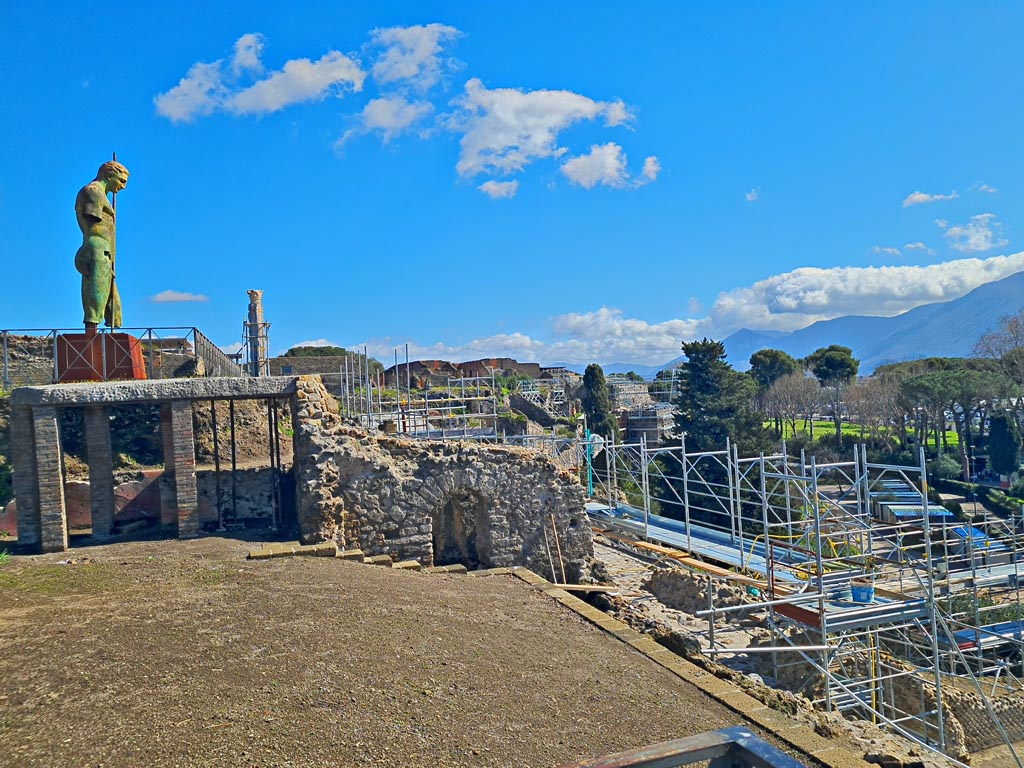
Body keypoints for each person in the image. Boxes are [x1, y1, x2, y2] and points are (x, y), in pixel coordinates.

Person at [74, 160, 129, 330]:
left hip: (105, 253)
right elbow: (93, 226)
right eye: (122, 181)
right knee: (95, 301)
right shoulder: (92, 191)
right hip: (96, 249)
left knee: (114, 307)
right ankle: (91, 337)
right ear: (110, 175)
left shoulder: (102, 195)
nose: (123, 186)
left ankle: (113, 342)